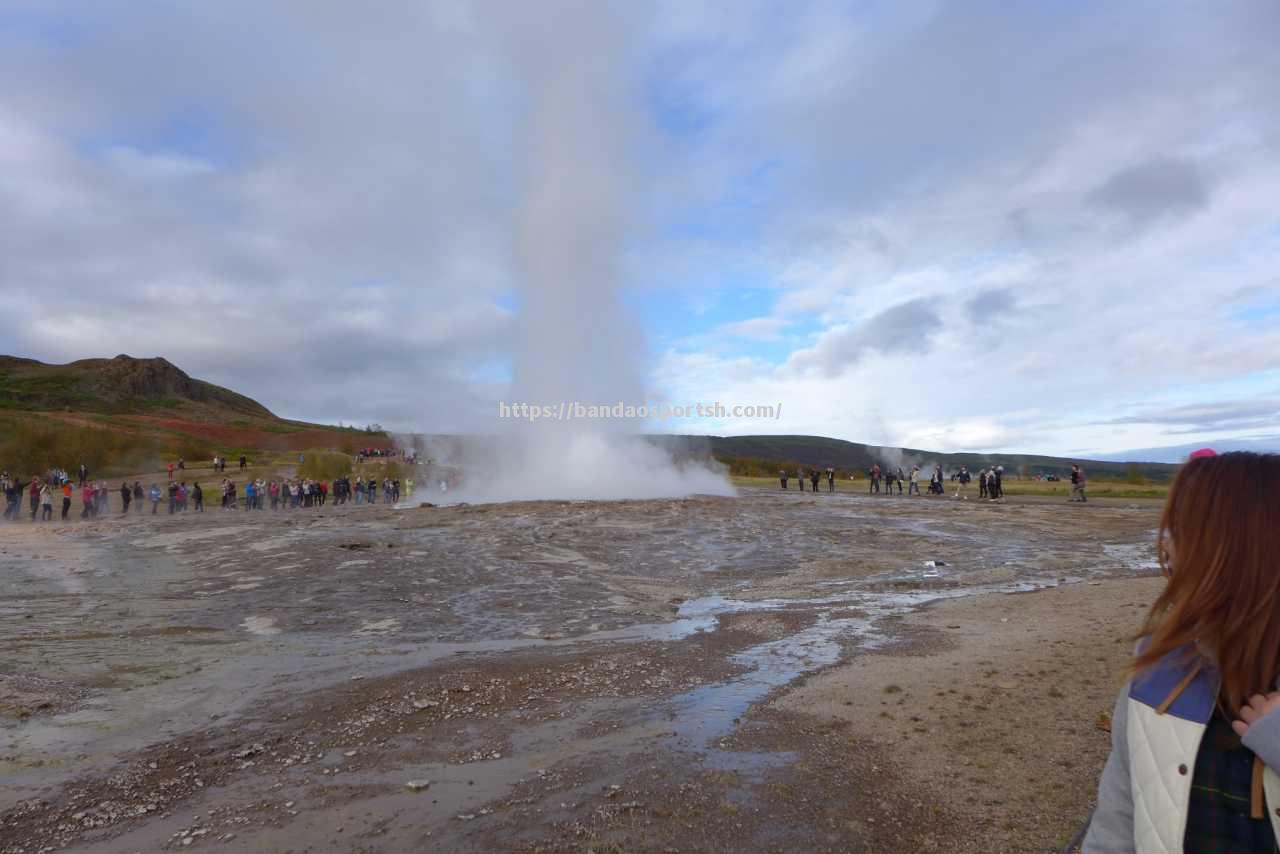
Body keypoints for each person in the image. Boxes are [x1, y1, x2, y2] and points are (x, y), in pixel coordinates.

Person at [1082, 451, 1280, 852]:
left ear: (1238, 546)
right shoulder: (1157, 669)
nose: (1165, 550)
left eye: (1178, 529)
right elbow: (1118, 819)